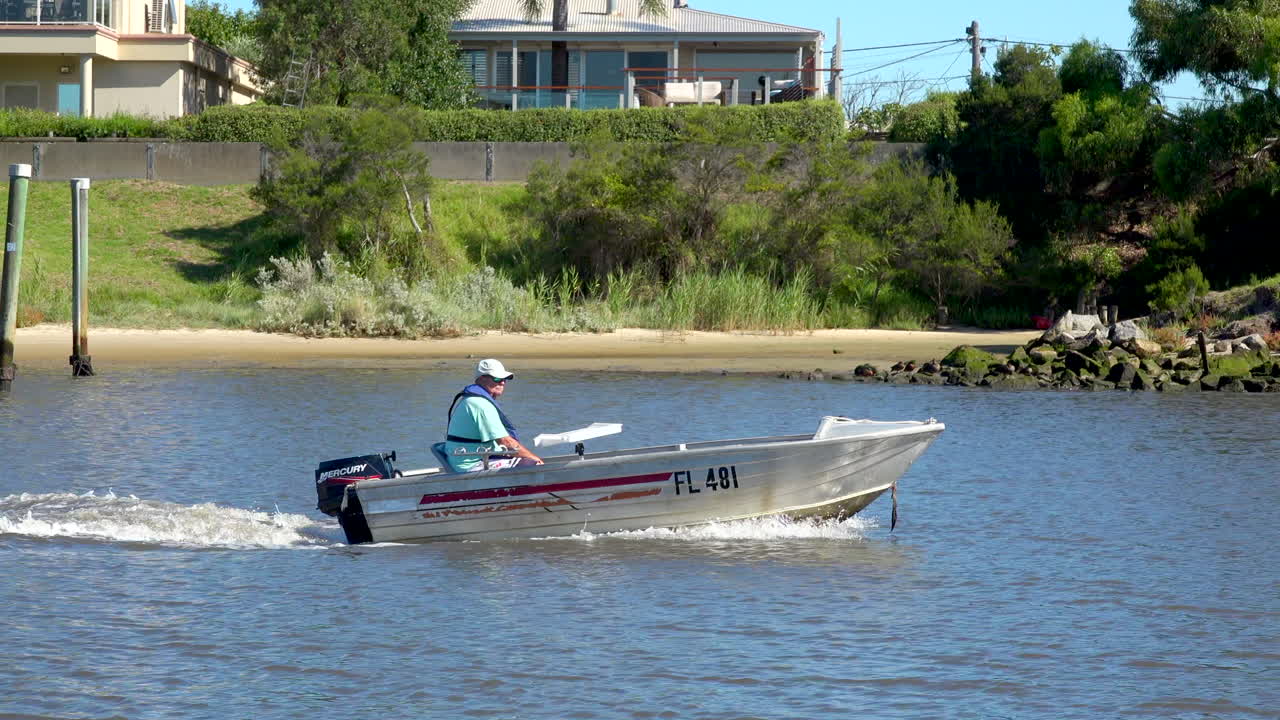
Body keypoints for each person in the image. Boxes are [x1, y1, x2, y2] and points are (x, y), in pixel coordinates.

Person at [443, 358, 543, 472]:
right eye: (497, 378)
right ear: (481, 379)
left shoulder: (475, 400)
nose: (502, 382)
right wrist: (537, 460)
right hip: (472, 466)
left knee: (528, 460)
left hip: (479, 459)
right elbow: (506, 442)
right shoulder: (479, 404)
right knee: (534, 464)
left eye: (505, 379)